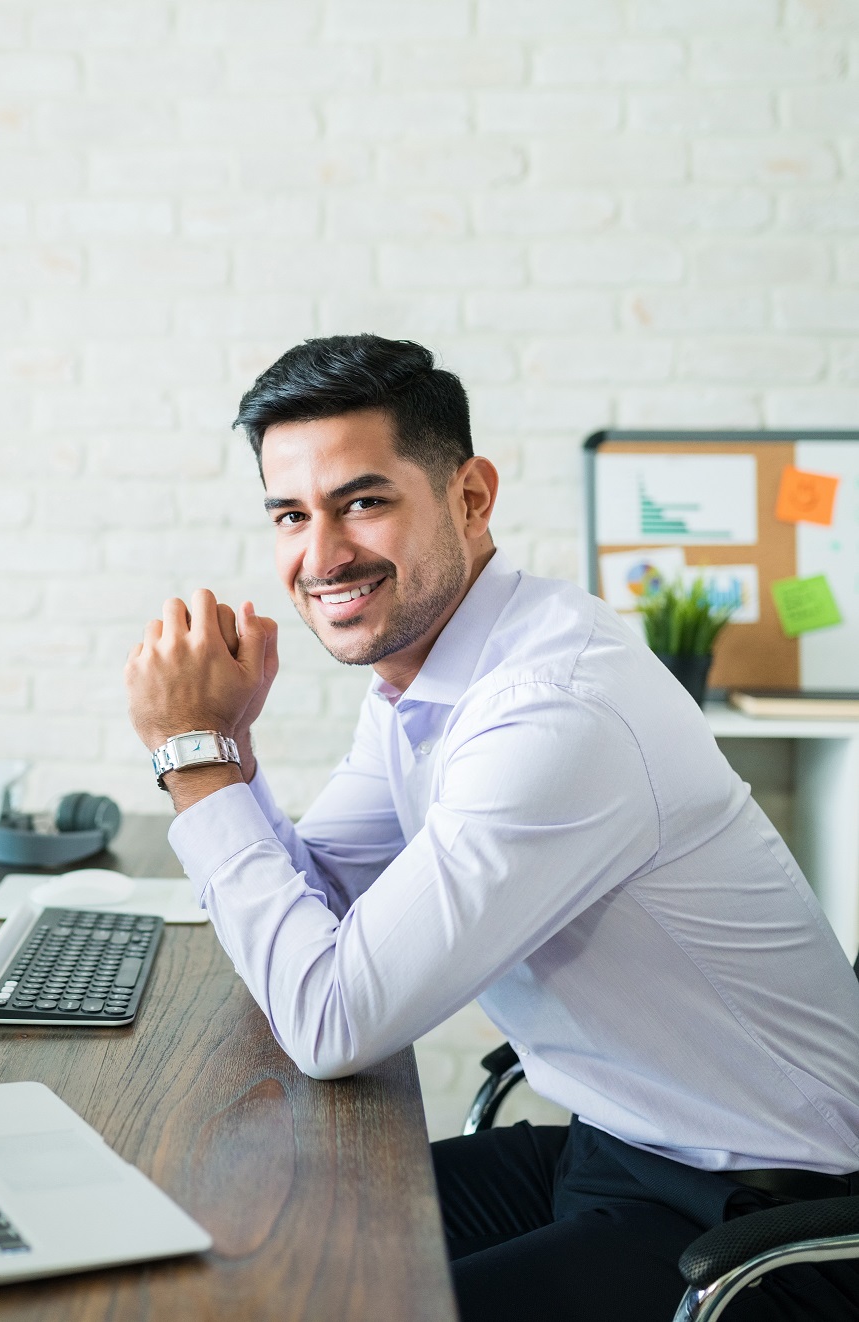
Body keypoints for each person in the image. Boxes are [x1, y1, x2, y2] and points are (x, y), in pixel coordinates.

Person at [123, 334, 859, 1322]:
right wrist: (235, 753)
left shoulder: (553, 710)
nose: (322, 553)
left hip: (764, 1221)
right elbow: (324, 900)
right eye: (291, 514)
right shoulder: (428, 680)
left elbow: (332, 1019)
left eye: (363, 501)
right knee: (247, 1233)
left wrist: (195, 751)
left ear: (470, 497)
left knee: (320, 1301)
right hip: (617, 1146)